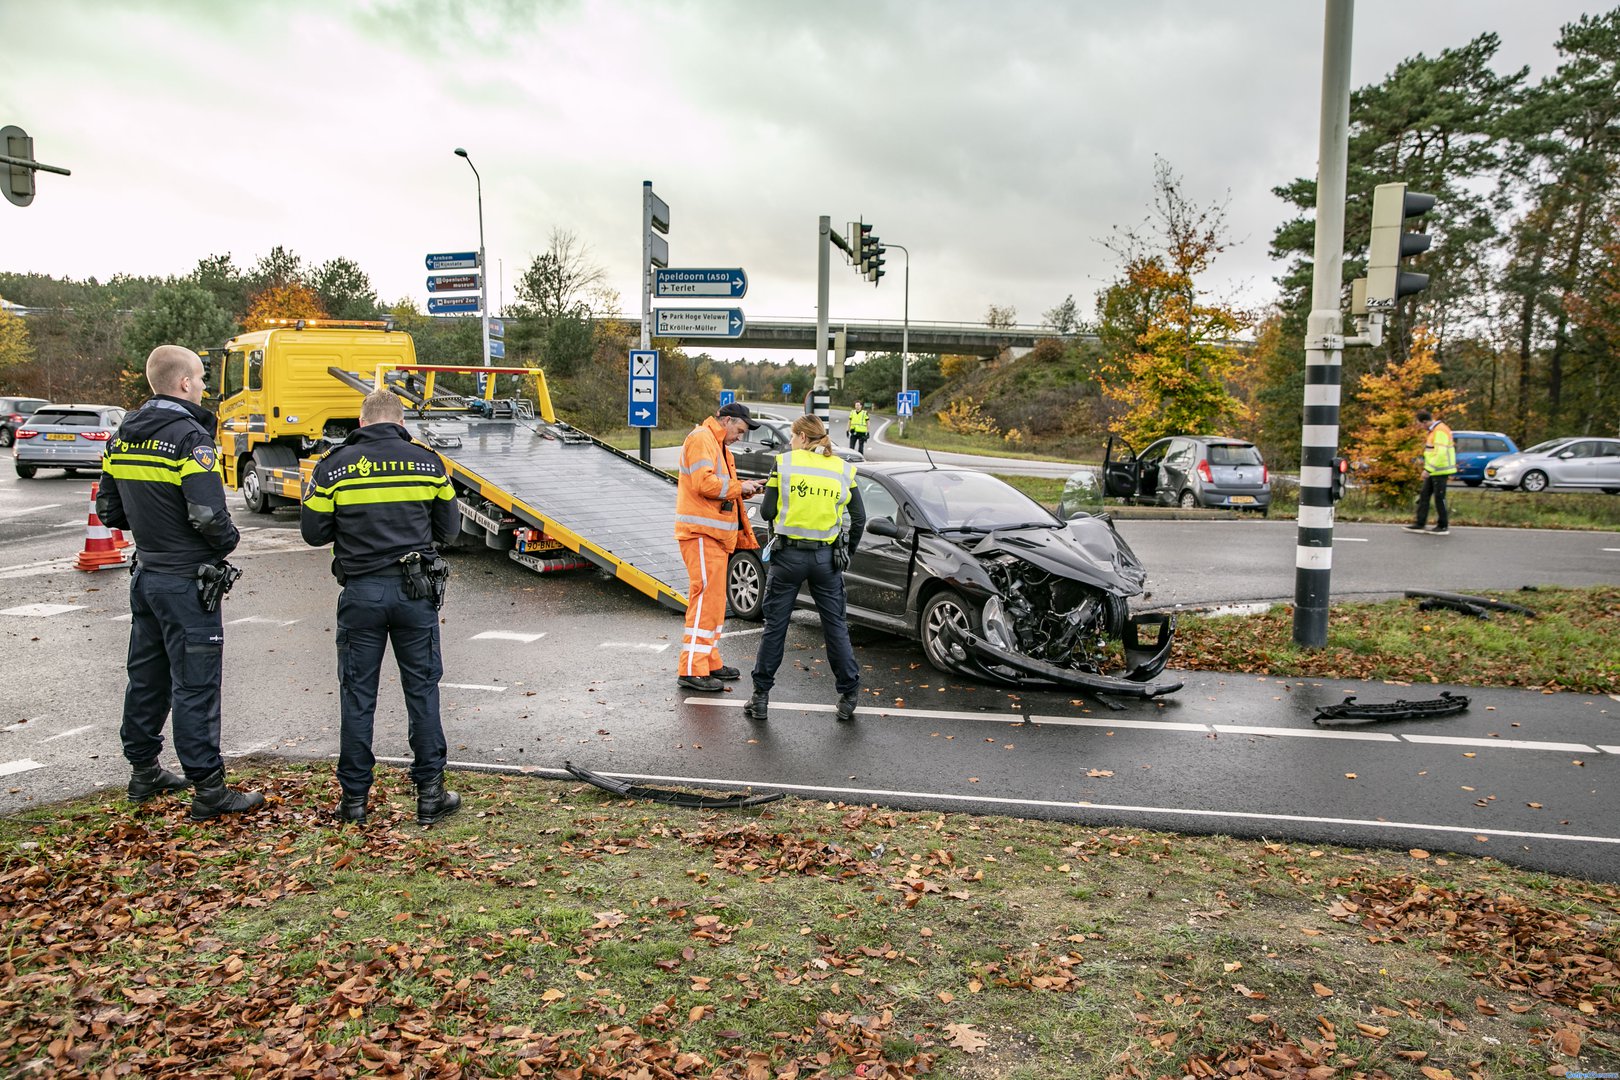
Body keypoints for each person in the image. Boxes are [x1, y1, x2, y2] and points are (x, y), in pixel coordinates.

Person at [98, 345, 264, 820]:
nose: (205, 387)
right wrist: (223, 544)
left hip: (146, 574)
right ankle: (209, 790)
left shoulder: (122, 435)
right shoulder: (190, 438)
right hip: (187, 580)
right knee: (195, 684)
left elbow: (109, 511)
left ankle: (143, 771)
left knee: (146, 677)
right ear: (184, 383)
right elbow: (211, 516)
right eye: (201, 379)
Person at [300, 389, 462, 826]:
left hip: (361, 594)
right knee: (422, 692)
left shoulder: (332, 466)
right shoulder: (429, 462)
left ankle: (354, 801)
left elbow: (313, 533)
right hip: (416, 594)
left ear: (362, 420)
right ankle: (430, 794)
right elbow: (450, 529)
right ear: (400, 419)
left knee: (357, 696)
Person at [746, 414, 867, 723]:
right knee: (835, 626)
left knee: (775, 627)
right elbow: (859, 517)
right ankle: (849, 694)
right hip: (827, 561)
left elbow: (768, 510)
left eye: (792, 435)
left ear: (801, 436)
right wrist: (846, 552)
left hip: (788, 559)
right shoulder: (842, 469)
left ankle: (760, 698)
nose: (789, 441)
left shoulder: (784, 463)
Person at [675, 402, 764, 691]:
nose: (739, 437)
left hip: (713, 536)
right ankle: (692, 668)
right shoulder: (702, 438)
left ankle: (708, 660)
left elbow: (718, 485)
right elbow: (705, 484)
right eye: (738, 430)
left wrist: (745, 485)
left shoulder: (716, 442)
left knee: (713, 602)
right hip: (701, 533)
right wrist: (742, 487)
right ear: (726, 421)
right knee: (704, 600)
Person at [1405, 408, 1456, 535]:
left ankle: (1443, 526)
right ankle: (1420, 523)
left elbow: (1440, 453)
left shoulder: (1440, 431)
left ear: (1425, 421)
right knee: (1424, 496)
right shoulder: (1434, 431)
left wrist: (1428, 469)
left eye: (1419, 424)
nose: (1419, 427)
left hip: (1440, 470)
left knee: (1439, 498)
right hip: (1434, 470)